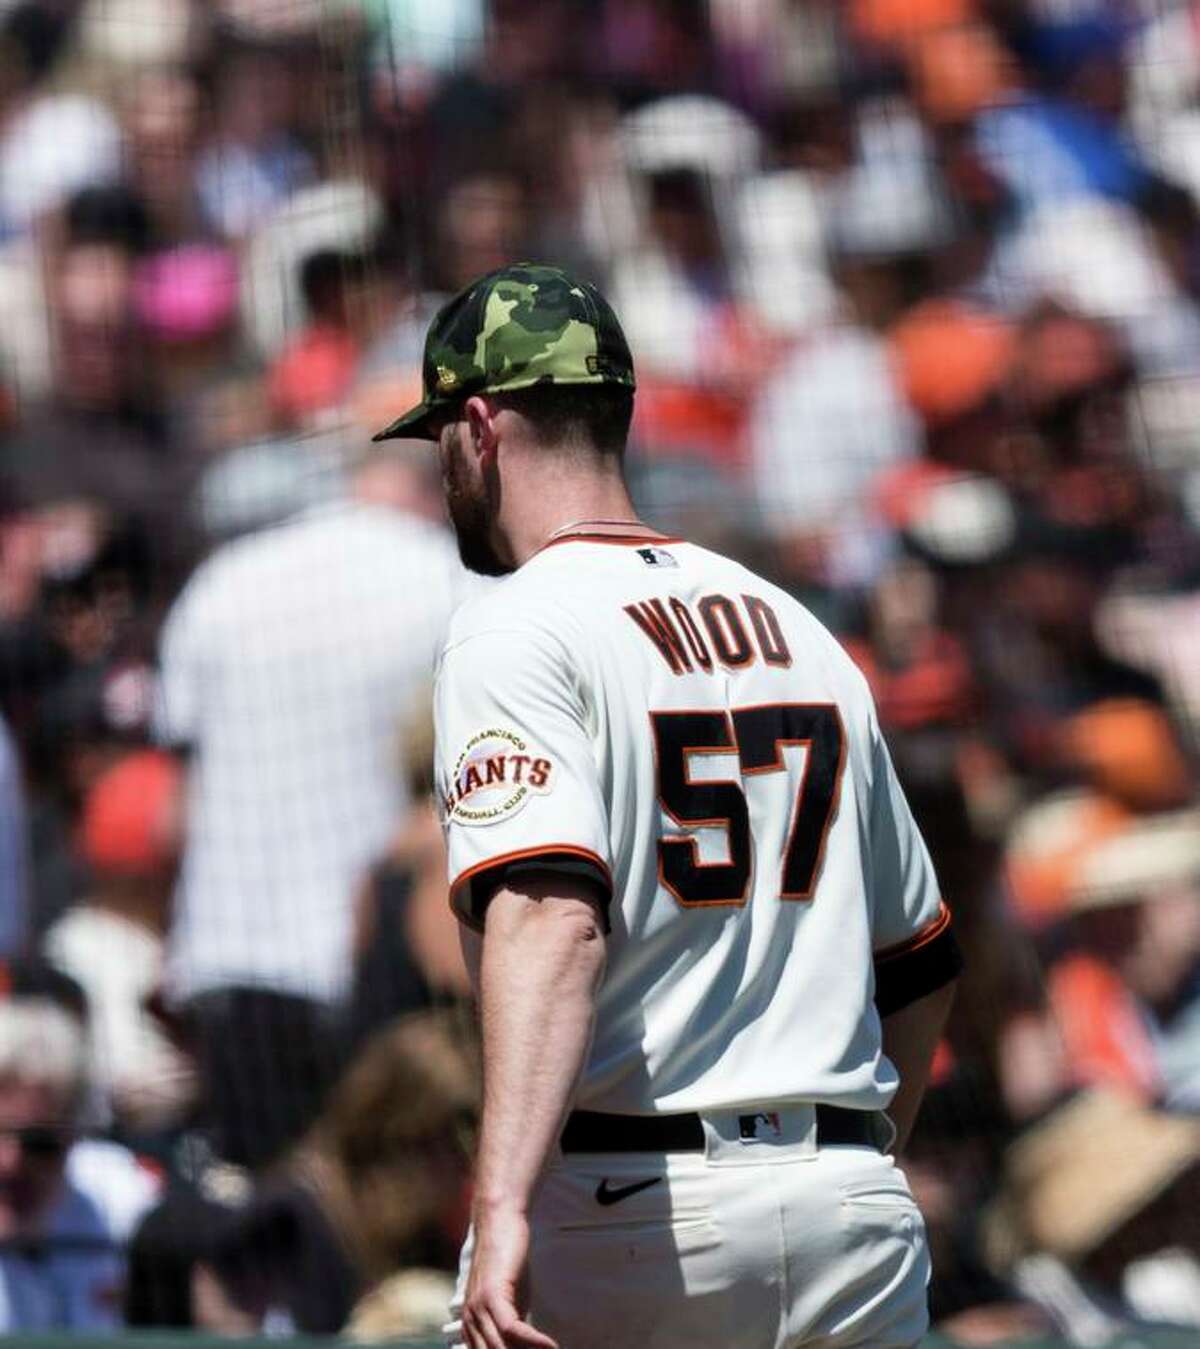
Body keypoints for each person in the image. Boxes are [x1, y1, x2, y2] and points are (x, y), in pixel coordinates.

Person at [371, 262, 962, 1349]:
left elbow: (553, 916)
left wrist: (499, 1205)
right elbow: (920, 960)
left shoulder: (516, 626)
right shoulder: (799, 628)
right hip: (849, 1213)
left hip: (631, 1211)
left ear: (483, 425)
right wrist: (851, 1161)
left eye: (443, 433)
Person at [155, 441, 465, 1169]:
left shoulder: (223, 580)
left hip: (234, 962)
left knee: (267, 1232)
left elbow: (174, 806)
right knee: (375, 1227)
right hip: (375, 960)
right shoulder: (445, 574)